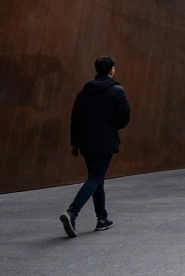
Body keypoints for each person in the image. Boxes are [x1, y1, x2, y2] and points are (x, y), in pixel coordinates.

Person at [60, 56, 131, 238]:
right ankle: (73, 212)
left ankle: (102, 218)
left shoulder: (83, 93)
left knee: (96, 178)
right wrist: (111, 127)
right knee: (95, 178)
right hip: (105, 142)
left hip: (86, 143)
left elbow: (74, 120)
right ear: (112, 70)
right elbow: (125, 117)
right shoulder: (117, 91)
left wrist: (75, 143)